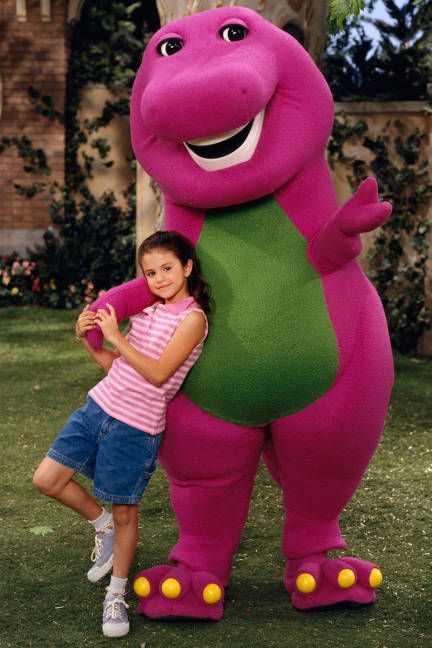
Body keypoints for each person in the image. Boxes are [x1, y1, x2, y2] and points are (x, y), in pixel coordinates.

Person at [33, 231, 210, 638]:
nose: (160, 279)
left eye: (167, 268)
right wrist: (88, 340)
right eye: (150, 272)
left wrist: (115, 337)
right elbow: (118, 368)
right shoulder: (146, 311)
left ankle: (116, 596)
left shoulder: (193, 319)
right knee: (46, 480)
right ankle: (102, 525)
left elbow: (159, 374)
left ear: (187, 267)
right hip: (98, 408)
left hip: (137, 427)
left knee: (127, 510)